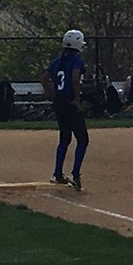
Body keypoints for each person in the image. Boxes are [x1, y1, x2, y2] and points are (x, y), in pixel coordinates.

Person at [44, 29, 89, 190]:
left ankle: (57, 173)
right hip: (70, 101)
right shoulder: (76, 60)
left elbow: (44, 78)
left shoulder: (58, 61)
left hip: (59, 102)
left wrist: (50, 94)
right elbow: (75, 78)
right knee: (83, 139)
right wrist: (77, 100)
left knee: (64, 138)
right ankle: (75, 174)